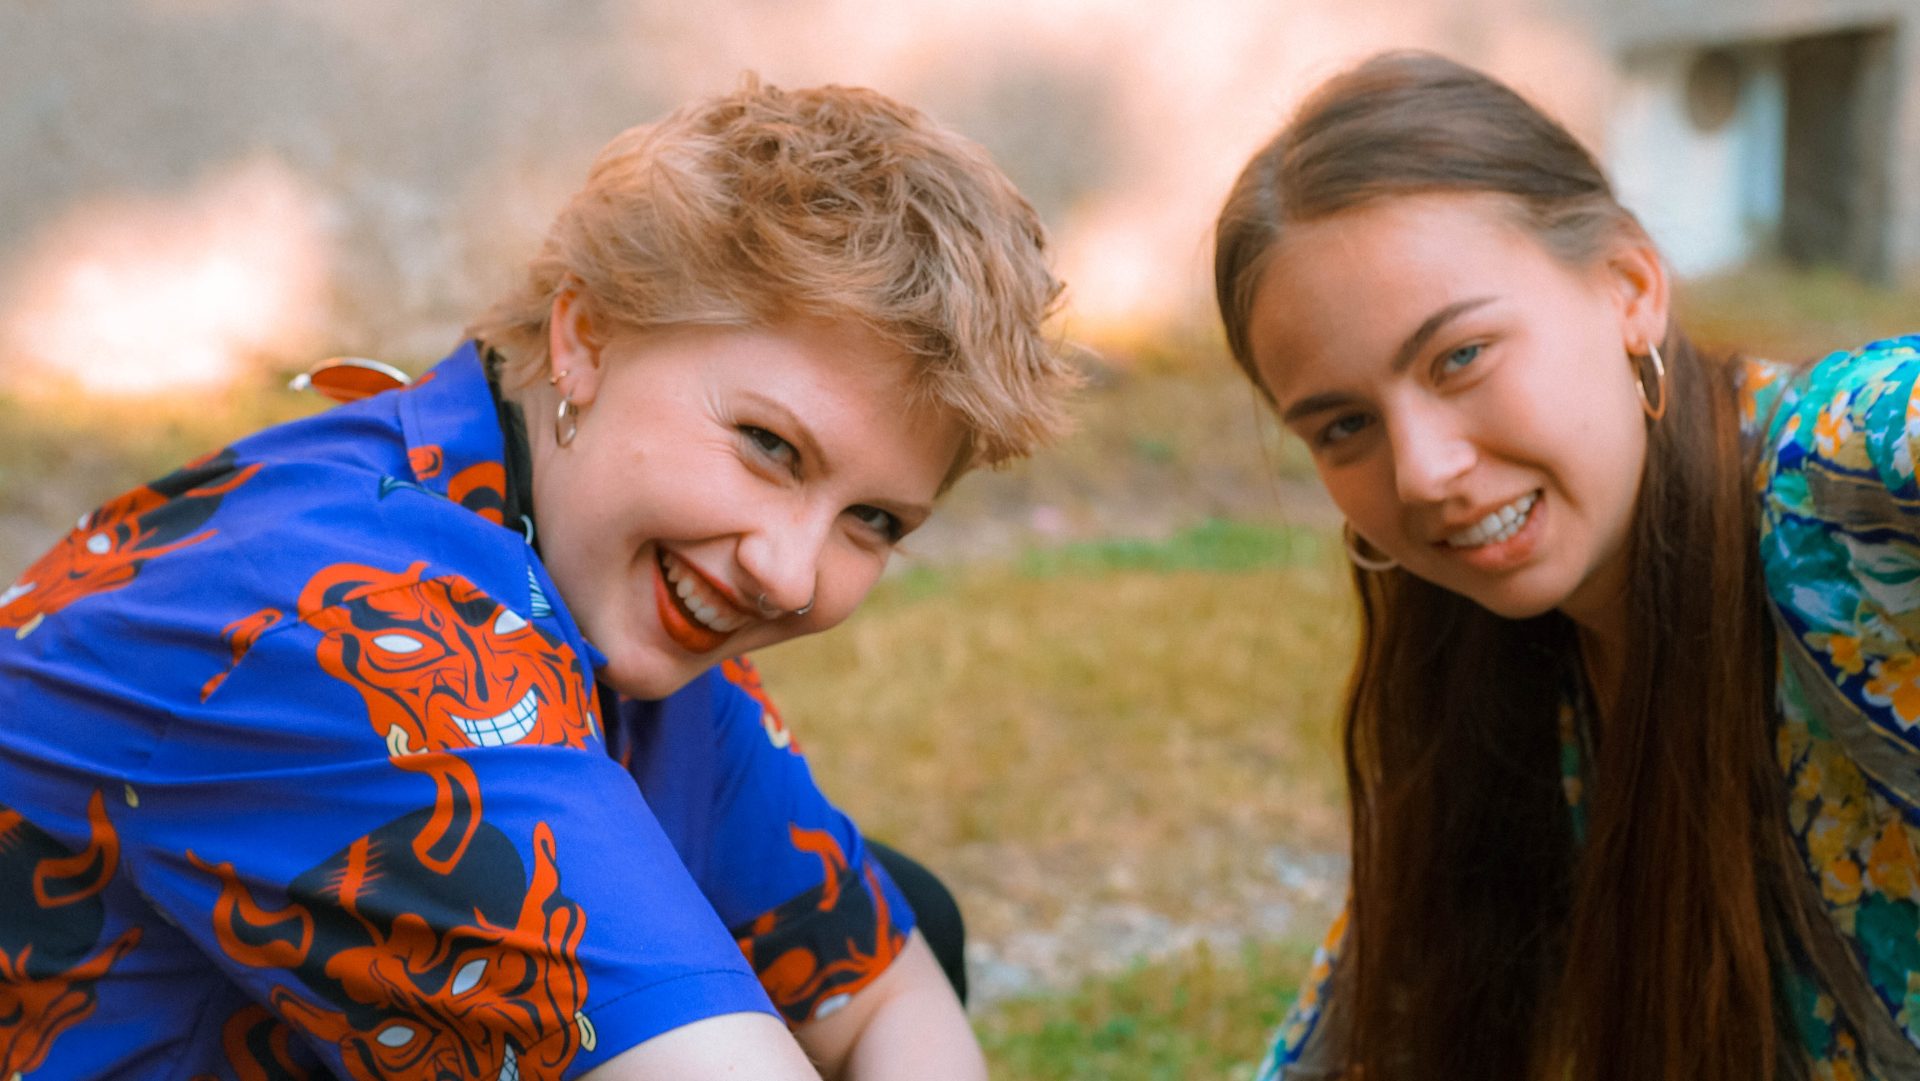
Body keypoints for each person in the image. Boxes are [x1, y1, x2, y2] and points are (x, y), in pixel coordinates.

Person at [0, 78, 1074, 1080]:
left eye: (873, 520)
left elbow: (877, 981)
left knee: (897, 908)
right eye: (768, 444)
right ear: (586, 336)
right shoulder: (357, 627)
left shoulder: (573, 562)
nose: (790, 574)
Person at [1214, 51, 1920, 1081]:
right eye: (1343, 425)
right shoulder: (1486, 682)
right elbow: (1363, 1035)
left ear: (1629, 287)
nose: (1421, 472)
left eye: (1459, 357)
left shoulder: (1832, 474)